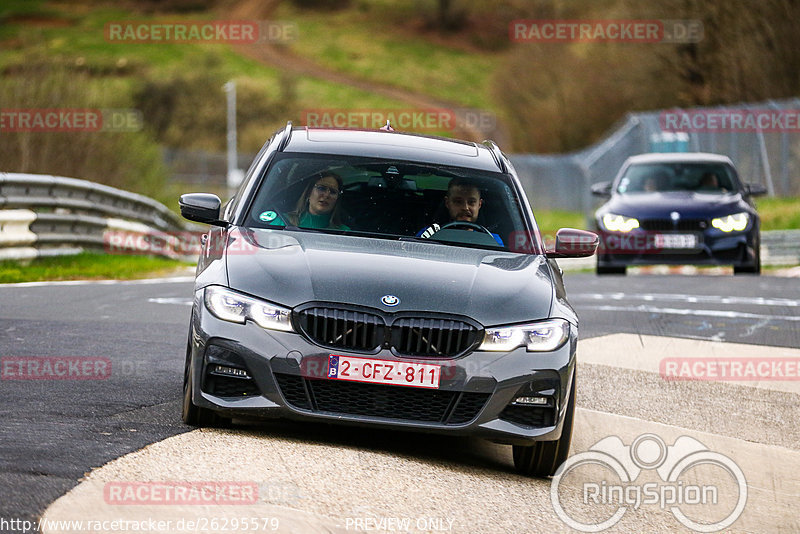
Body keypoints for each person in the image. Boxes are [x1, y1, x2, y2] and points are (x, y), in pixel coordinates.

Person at [417, 178, 503, 245]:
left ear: (479, 205)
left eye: (471, 202)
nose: (465, 208)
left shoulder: (492, 240)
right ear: (447, 203)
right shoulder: (428, 235)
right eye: (458, 202)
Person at [260, 172, 349, 230]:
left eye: (333, 192)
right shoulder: (282, 222)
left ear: (337, 199)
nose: (326, 195)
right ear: (309, 193)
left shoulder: (344, 233)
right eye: (321, 188)